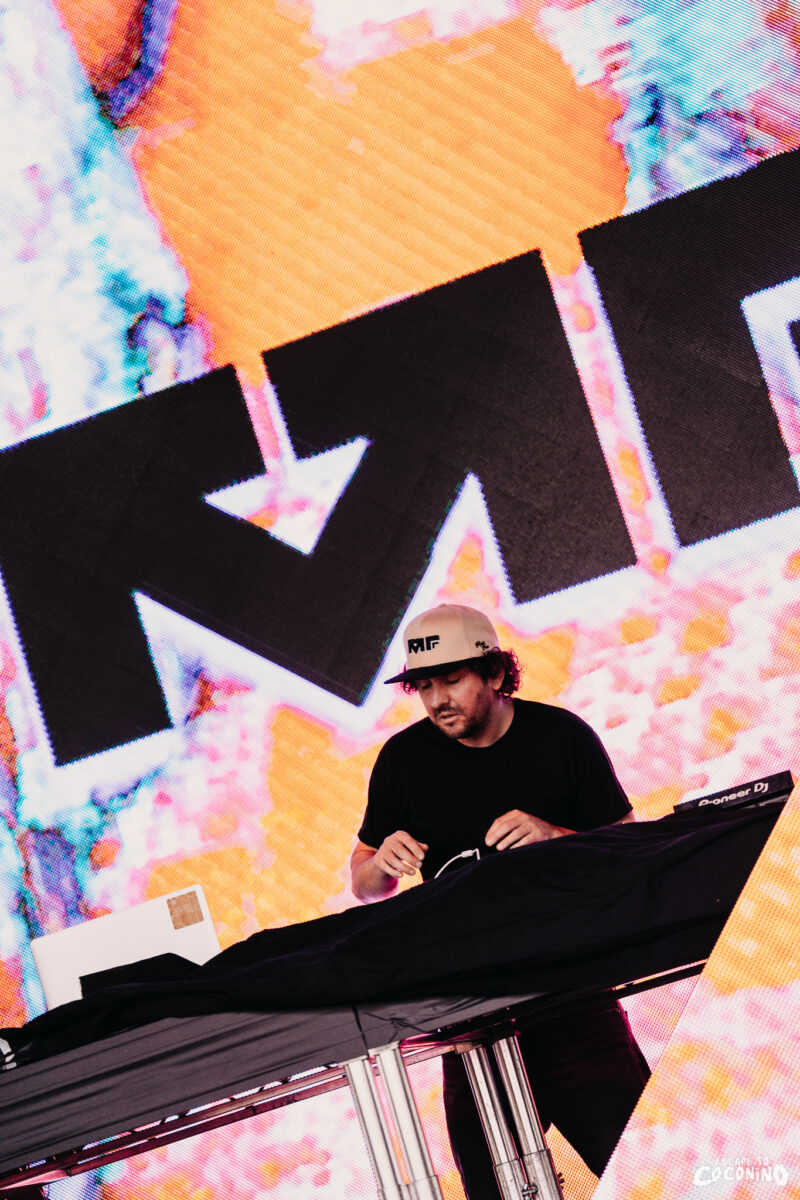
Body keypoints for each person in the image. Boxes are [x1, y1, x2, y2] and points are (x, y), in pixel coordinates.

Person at [350, 603, 650, 1199]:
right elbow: (364, 882)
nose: (438, 700)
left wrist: (555, 836)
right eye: (424, 687)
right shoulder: (402, 761)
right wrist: (380, 865)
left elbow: (632, 851)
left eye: (452, 680)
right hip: (472, 1021)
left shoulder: (561, 736)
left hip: (572, 1006)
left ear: (494, 672)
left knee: (645, 1177)